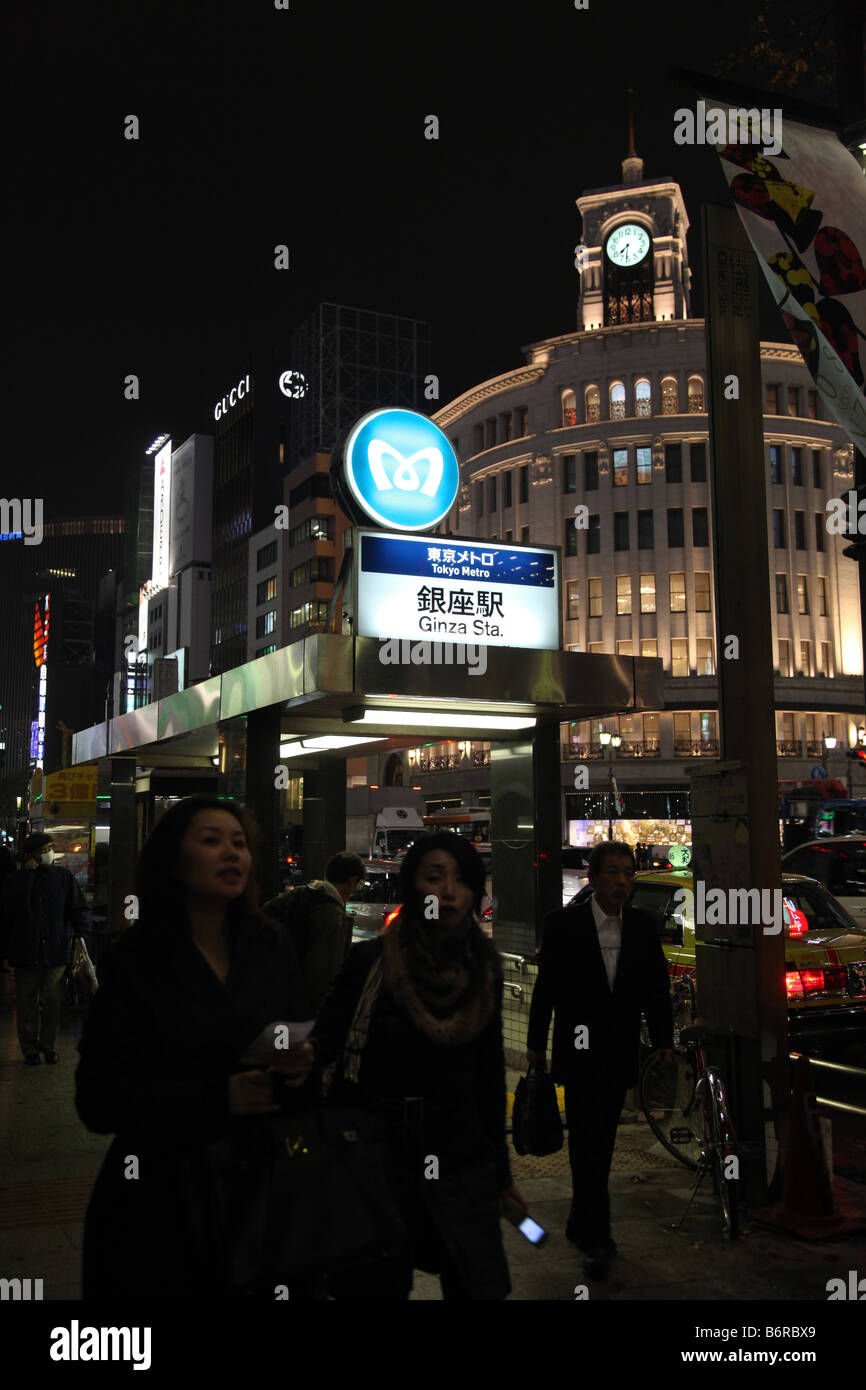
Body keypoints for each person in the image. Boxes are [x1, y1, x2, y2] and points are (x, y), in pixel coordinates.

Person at [74, 795, 315, 1300]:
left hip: (261, 1198)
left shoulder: (271, 946)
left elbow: (298, 1044)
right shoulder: (136, 960)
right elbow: (97, 1099)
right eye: (212, 841)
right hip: (157, 1207)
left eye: (240, 844)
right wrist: (216, 1097)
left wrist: (300, 1065)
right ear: (174, 861)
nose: (232, 854)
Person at [312, 832, 524, 1300]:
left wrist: (501, 1176)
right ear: (413, 887)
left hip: (460, 1157)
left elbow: (489, 1083)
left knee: (475, 1284)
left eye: (461, 880)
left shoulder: (483, 970)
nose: (448, 892)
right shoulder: (371, 961)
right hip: (375, 1160)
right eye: (434, 877)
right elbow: (323, 1044)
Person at [526, 839, 673, 1279]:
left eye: (628, 873)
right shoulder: (563, 925)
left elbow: (656, 988)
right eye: (613, 872)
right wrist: (535, 1043)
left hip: (619, 1050)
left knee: (600, 1143)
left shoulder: (643, 927)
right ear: (592, 877)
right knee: (589, 1141)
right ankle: (597, 1236)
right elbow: (546, 988)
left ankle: (580, 1218)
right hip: (579, 1048)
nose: (622, 882)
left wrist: (664, 1040)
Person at [0, 832, 91, 1064]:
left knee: (52, 1002)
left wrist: (81, 935)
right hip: (26, 952)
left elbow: (78, 909)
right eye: (44, 849)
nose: (49, 853)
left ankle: (48, 1045)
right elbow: (11, 912)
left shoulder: (62, 878)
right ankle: (29, 1048)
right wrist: (29, 876)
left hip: (55, 951)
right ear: (30, 855)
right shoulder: (16, 881)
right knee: (27, 1003)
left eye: (50, 847)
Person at [261, 851, 365, 1010]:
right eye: (358, 885)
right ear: (352, 881)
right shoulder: (331, 914)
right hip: (300, 1007)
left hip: (273, 990)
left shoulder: (303, 894)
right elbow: (322, 975)